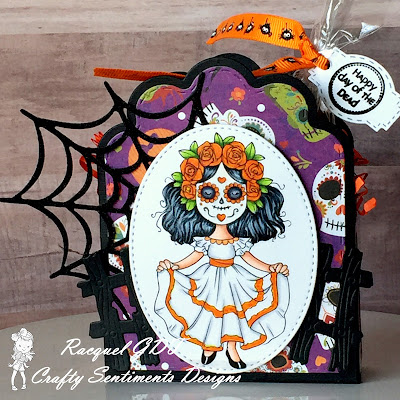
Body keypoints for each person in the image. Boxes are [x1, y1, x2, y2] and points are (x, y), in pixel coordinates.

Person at [155, 135, 290, 369]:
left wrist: (271, 269)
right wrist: (175, 267)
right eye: (208, 192)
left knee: (234, 314)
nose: (220, 203)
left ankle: (232, 349)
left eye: (234, 193)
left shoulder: (238, 241)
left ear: (250, 195)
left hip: (235, 279)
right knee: (208, 313)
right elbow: (195, 257)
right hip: (208, 278)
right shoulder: (205, 240)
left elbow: (248, 258)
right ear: (192, 194)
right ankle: (209, 346)